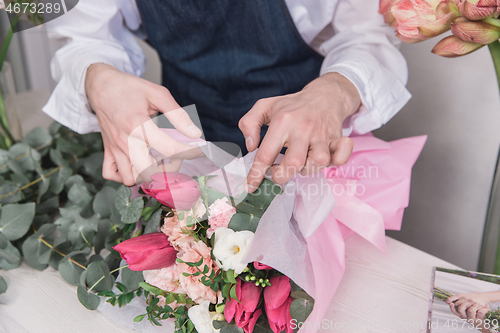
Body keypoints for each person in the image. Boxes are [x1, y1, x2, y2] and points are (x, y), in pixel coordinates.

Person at [42, 0, 411, 190]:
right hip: (184, 160)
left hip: (316, 163)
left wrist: (335, 90)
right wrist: (98, 78)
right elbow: (84, 38)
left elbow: (367, 35)